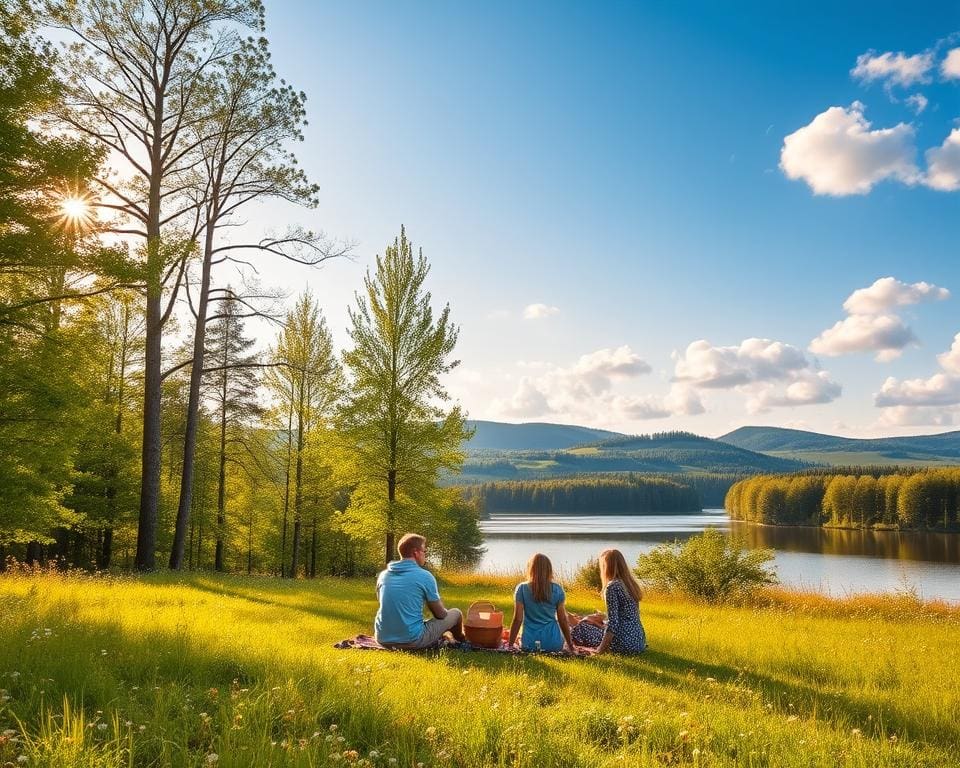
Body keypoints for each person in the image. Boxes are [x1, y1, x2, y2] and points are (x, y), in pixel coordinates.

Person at [374, 533, 465, 649]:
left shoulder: (383, 575)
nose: (425, 555)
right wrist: (446, 620)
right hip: (412, 641)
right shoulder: (425, 576)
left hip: (382, 638)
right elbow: (440, 614)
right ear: (416, 553)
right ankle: (461, 640)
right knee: (456, 613)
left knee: (419, 622)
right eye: (424, 551)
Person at [508, 553, 576, 653]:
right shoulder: (557, 589)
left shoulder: (522, 589)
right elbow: (562, 620)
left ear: (531, 569)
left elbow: (518, 619)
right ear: (549, 570)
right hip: (554, 644)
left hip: (529, 644)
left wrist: (510, 644)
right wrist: (570, 646)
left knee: (519, 639)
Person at [593, 549, 646, 655]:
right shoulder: (630, 584)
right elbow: (628, 616)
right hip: (638, 641)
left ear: (607, 567)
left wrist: (600, 650)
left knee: (584, 627)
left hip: (623, 643)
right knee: (598, 623)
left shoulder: (612, 586)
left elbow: (613, 624)